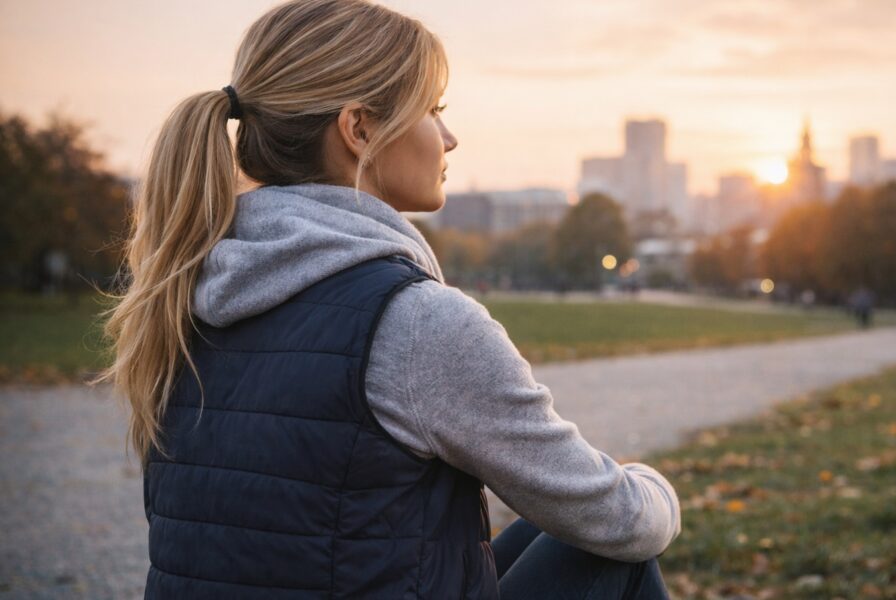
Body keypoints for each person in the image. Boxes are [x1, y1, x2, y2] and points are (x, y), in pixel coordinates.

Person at [92, 1, 680, 598]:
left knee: (547, 534)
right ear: (360, 129)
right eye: (432, 109)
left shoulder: (181, 296)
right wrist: (654, 485)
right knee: (618, 556)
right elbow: (619, 518)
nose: (450, 138)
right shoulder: (415, 322)